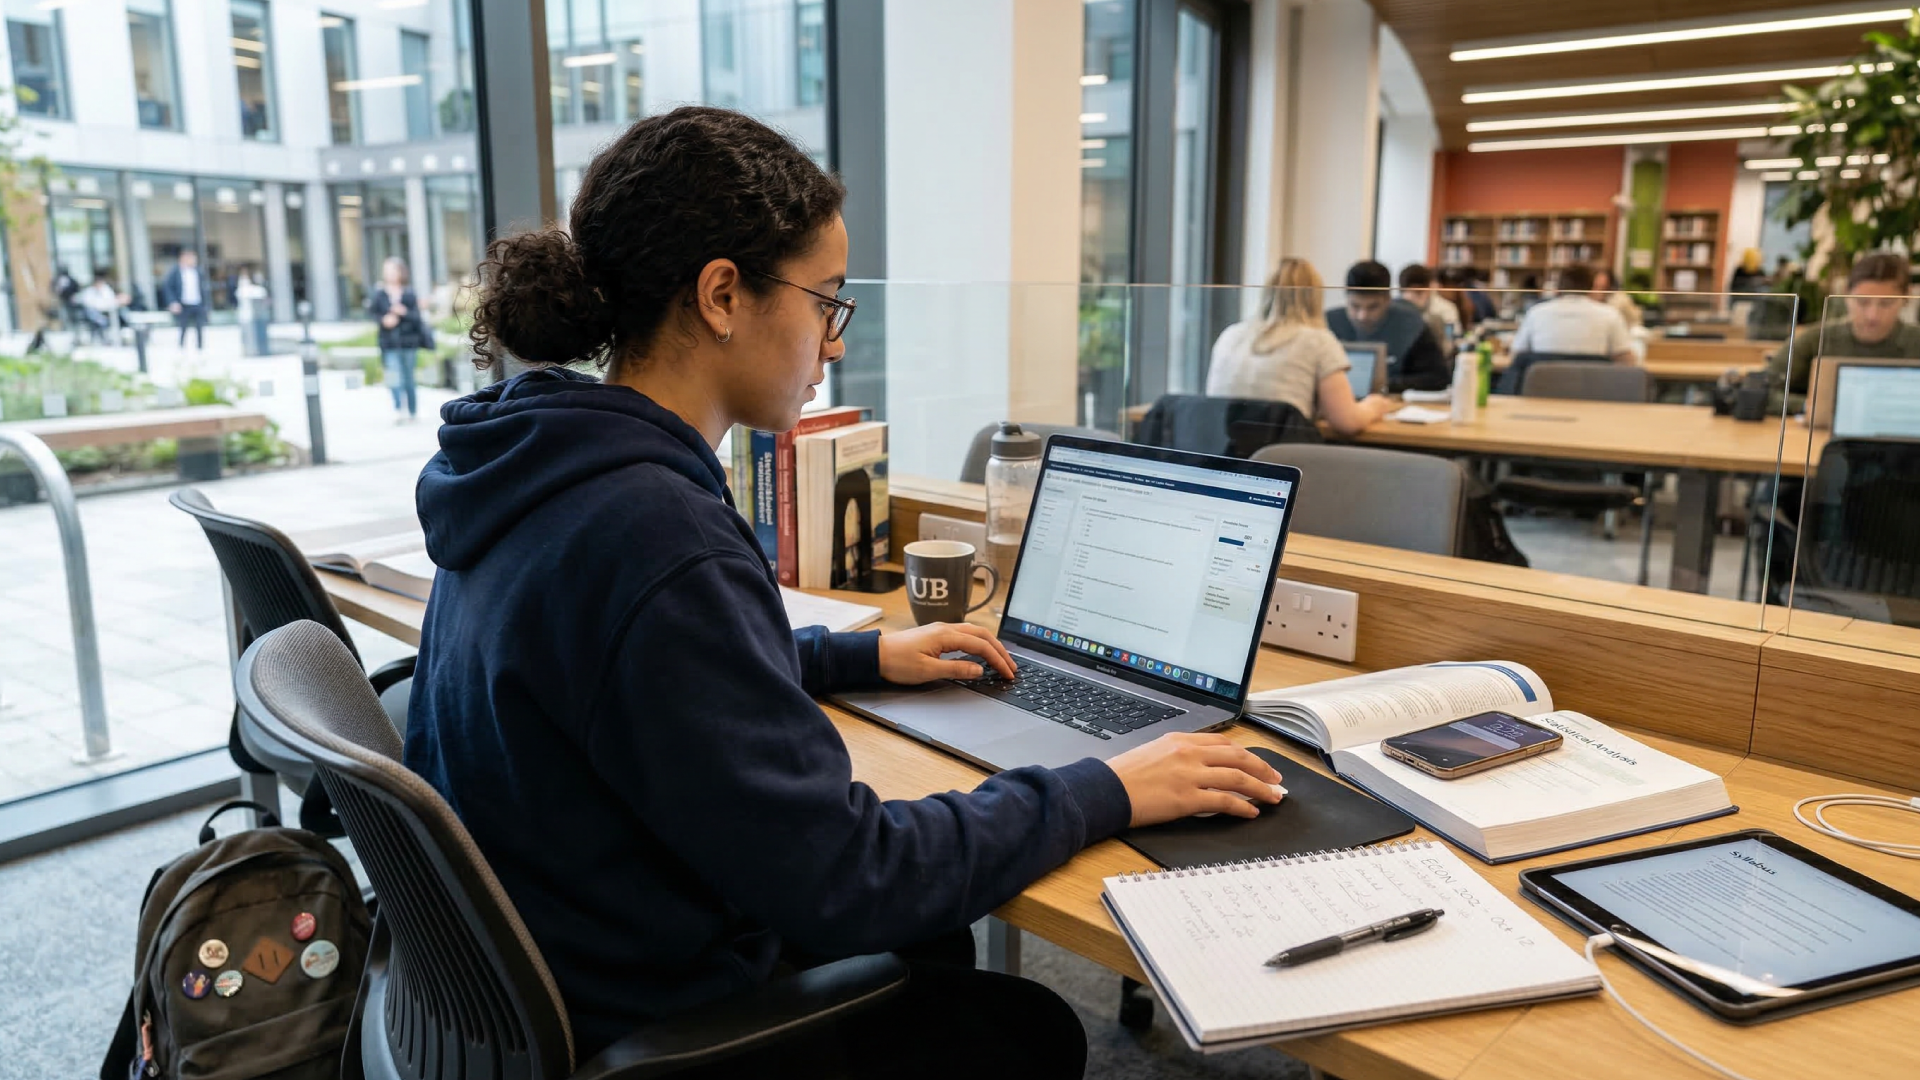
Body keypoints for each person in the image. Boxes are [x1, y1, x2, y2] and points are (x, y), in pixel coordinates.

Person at [406, 106, 1285, 1078]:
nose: (832, 343)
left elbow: (630, 677)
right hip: (651, 1016)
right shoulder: (659, 536)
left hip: (557, 967)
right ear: (723, 295)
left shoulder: (538, 467)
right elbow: (853, 877)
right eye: (825, 298)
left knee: (935, 950)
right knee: (1028, 1027)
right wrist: (1104, 787)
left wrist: (856, 654)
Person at [1206, 256, 1394, 436]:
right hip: (1281, 457)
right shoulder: (1318, 340)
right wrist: (1373, 406)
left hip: (1224, 452)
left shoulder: (1230, 335)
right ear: (1314, 297)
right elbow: (1347, 422)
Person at [1766, 250, 1920, 414]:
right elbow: (1759, 391)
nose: (1872, 316)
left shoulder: (1915, 342)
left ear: (1906, 298)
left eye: (1885, 304)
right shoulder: (1815, 340)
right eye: (1862, 302)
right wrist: (1809, 406)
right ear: (1846, 293)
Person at [1326, 260, 1450, 392]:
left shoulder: (1412, 325)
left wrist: (1385, 384)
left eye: (1373, 307)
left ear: (1388, 300)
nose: (1362, 316)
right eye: (1355, 306)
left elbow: (1438, 378)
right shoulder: (1327, 323)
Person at [1508, 265, 1634, 364]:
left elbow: (1517, 355)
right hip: (1593, 390)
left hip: (1541, 388)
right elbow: (1626, 360)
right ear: (1591, 286)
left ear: (1558, 287)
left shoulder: (1536, 313)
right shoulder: (1610, 315)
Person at [367, 257, 428, 421]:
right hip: (388, 342)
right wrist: (384, 320)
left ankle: (412, 411)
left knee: (409, 377)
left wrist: (403, 312)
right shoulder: (379, 294)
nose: (389, 274)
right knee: (393, 376)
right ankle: (398, 408)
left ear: (401, 272)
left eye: (393, 270)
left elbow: (417, 317)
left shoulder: (409, 293)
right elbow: (373, 314)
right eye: (387, 270)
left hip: (409, 342)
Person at [1398, 263, 1461, 350]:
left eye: (1419, 293)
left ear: (1429, 288)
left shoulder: (1446, 309)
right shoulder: (1396, 309)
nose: (1414, 298)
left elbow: (1452, 339)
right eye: (1408, 293)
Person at [159, 249, 208, 349]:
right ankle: (181, 347)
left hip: (197, 303)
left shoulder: (198, 271)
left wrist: (206, 305)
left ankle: (200, 347)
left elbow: (204, 289)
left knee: (199, 327)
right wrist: (172, 302)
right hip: (183, 304)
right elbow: (167, 287)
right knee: (183, 327)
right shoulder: (175, 272)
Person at [76, 271, 124, 344]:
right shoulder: (89, 292)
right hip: (92, 313)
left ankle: (116, 337)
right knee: (96, 316)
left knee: (121, 314)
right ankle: (103, 333)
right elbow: (89, 304)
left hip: (106, 311)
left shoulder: (106, 289)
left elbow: (110, 301)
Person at [235, 265, 271, 357]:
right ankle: (249, 352)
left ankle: (256, 351)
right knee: (247, 336)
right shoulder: (243, 289)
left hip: (254, 316)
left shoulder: (257, 289)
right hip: (246, 316)